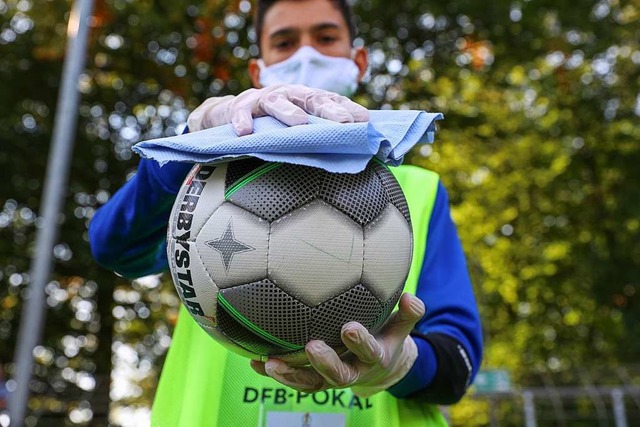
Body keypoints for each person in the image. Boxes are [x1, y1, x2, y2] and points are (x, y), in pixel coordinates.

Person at [89, 0, 483, 425]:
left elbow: (456, 363)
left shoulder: (415, 189)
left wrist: (401, 363)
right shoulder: (210, 175)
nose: (306, 54)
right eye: (285, 42)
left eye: (326, 37)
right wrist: (195, 140)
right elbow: (114, 247)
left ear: (359, 61)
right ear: (259, 73)